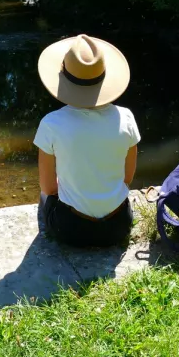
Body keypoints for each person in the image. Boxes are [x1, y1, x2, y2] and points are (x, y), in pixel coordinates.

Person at [33, 34, 140, 247]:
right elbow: (127, 178)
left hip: (71, 229)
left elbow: (48, 188)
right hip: (118, 225)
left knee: (44, 198)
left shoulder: (51, 123)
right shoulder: (125, 117)